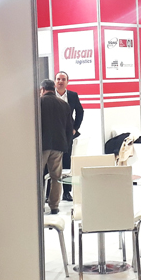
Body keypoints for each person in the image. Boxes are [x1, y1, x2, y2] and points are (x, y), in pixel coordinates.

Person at [39, 79, 73, 214]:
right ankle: (54, 206)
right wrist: (66, 144)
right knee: (56, 177)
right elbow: (69, 127)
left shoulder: (38, 103)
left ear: (42, 89)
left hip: (42, 145)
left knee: (38, 176)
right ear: (53, 89)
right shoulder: (64, 104)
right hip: (58, 145)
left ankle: (39, 205)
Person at [54, 71, 83, 201]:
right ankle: (49, 193)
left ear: (67, 82)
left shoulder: (72, 95)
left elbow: (80, 112)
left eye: (63, 79)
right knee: (51, 163)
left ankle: (67, 192)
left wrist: (75, 128)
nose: (60, 81)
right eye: (58, 79)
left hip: (67, 134)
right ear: (55, 81)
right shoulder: (50, 95)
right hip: (52, 133)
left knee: (66, 162)